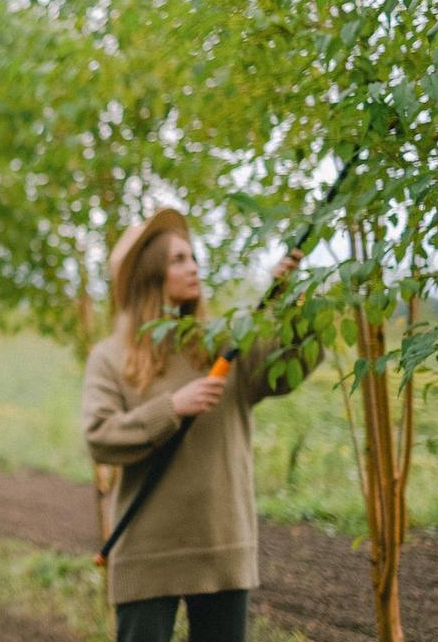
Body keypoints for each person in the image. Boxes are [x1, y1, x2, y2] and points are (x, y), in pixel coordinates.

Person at [82, 207, 315, 642]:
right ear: (150, 276)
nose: (193, 268)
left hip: (222, 544)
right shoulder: (111, 357)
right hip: (147, 551)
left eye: (193, 258)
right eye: (178, 260)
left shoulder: (222, 344)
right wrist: (172, 407)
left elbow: (288, 371)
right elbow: (100, 438)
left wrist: (294, 301)